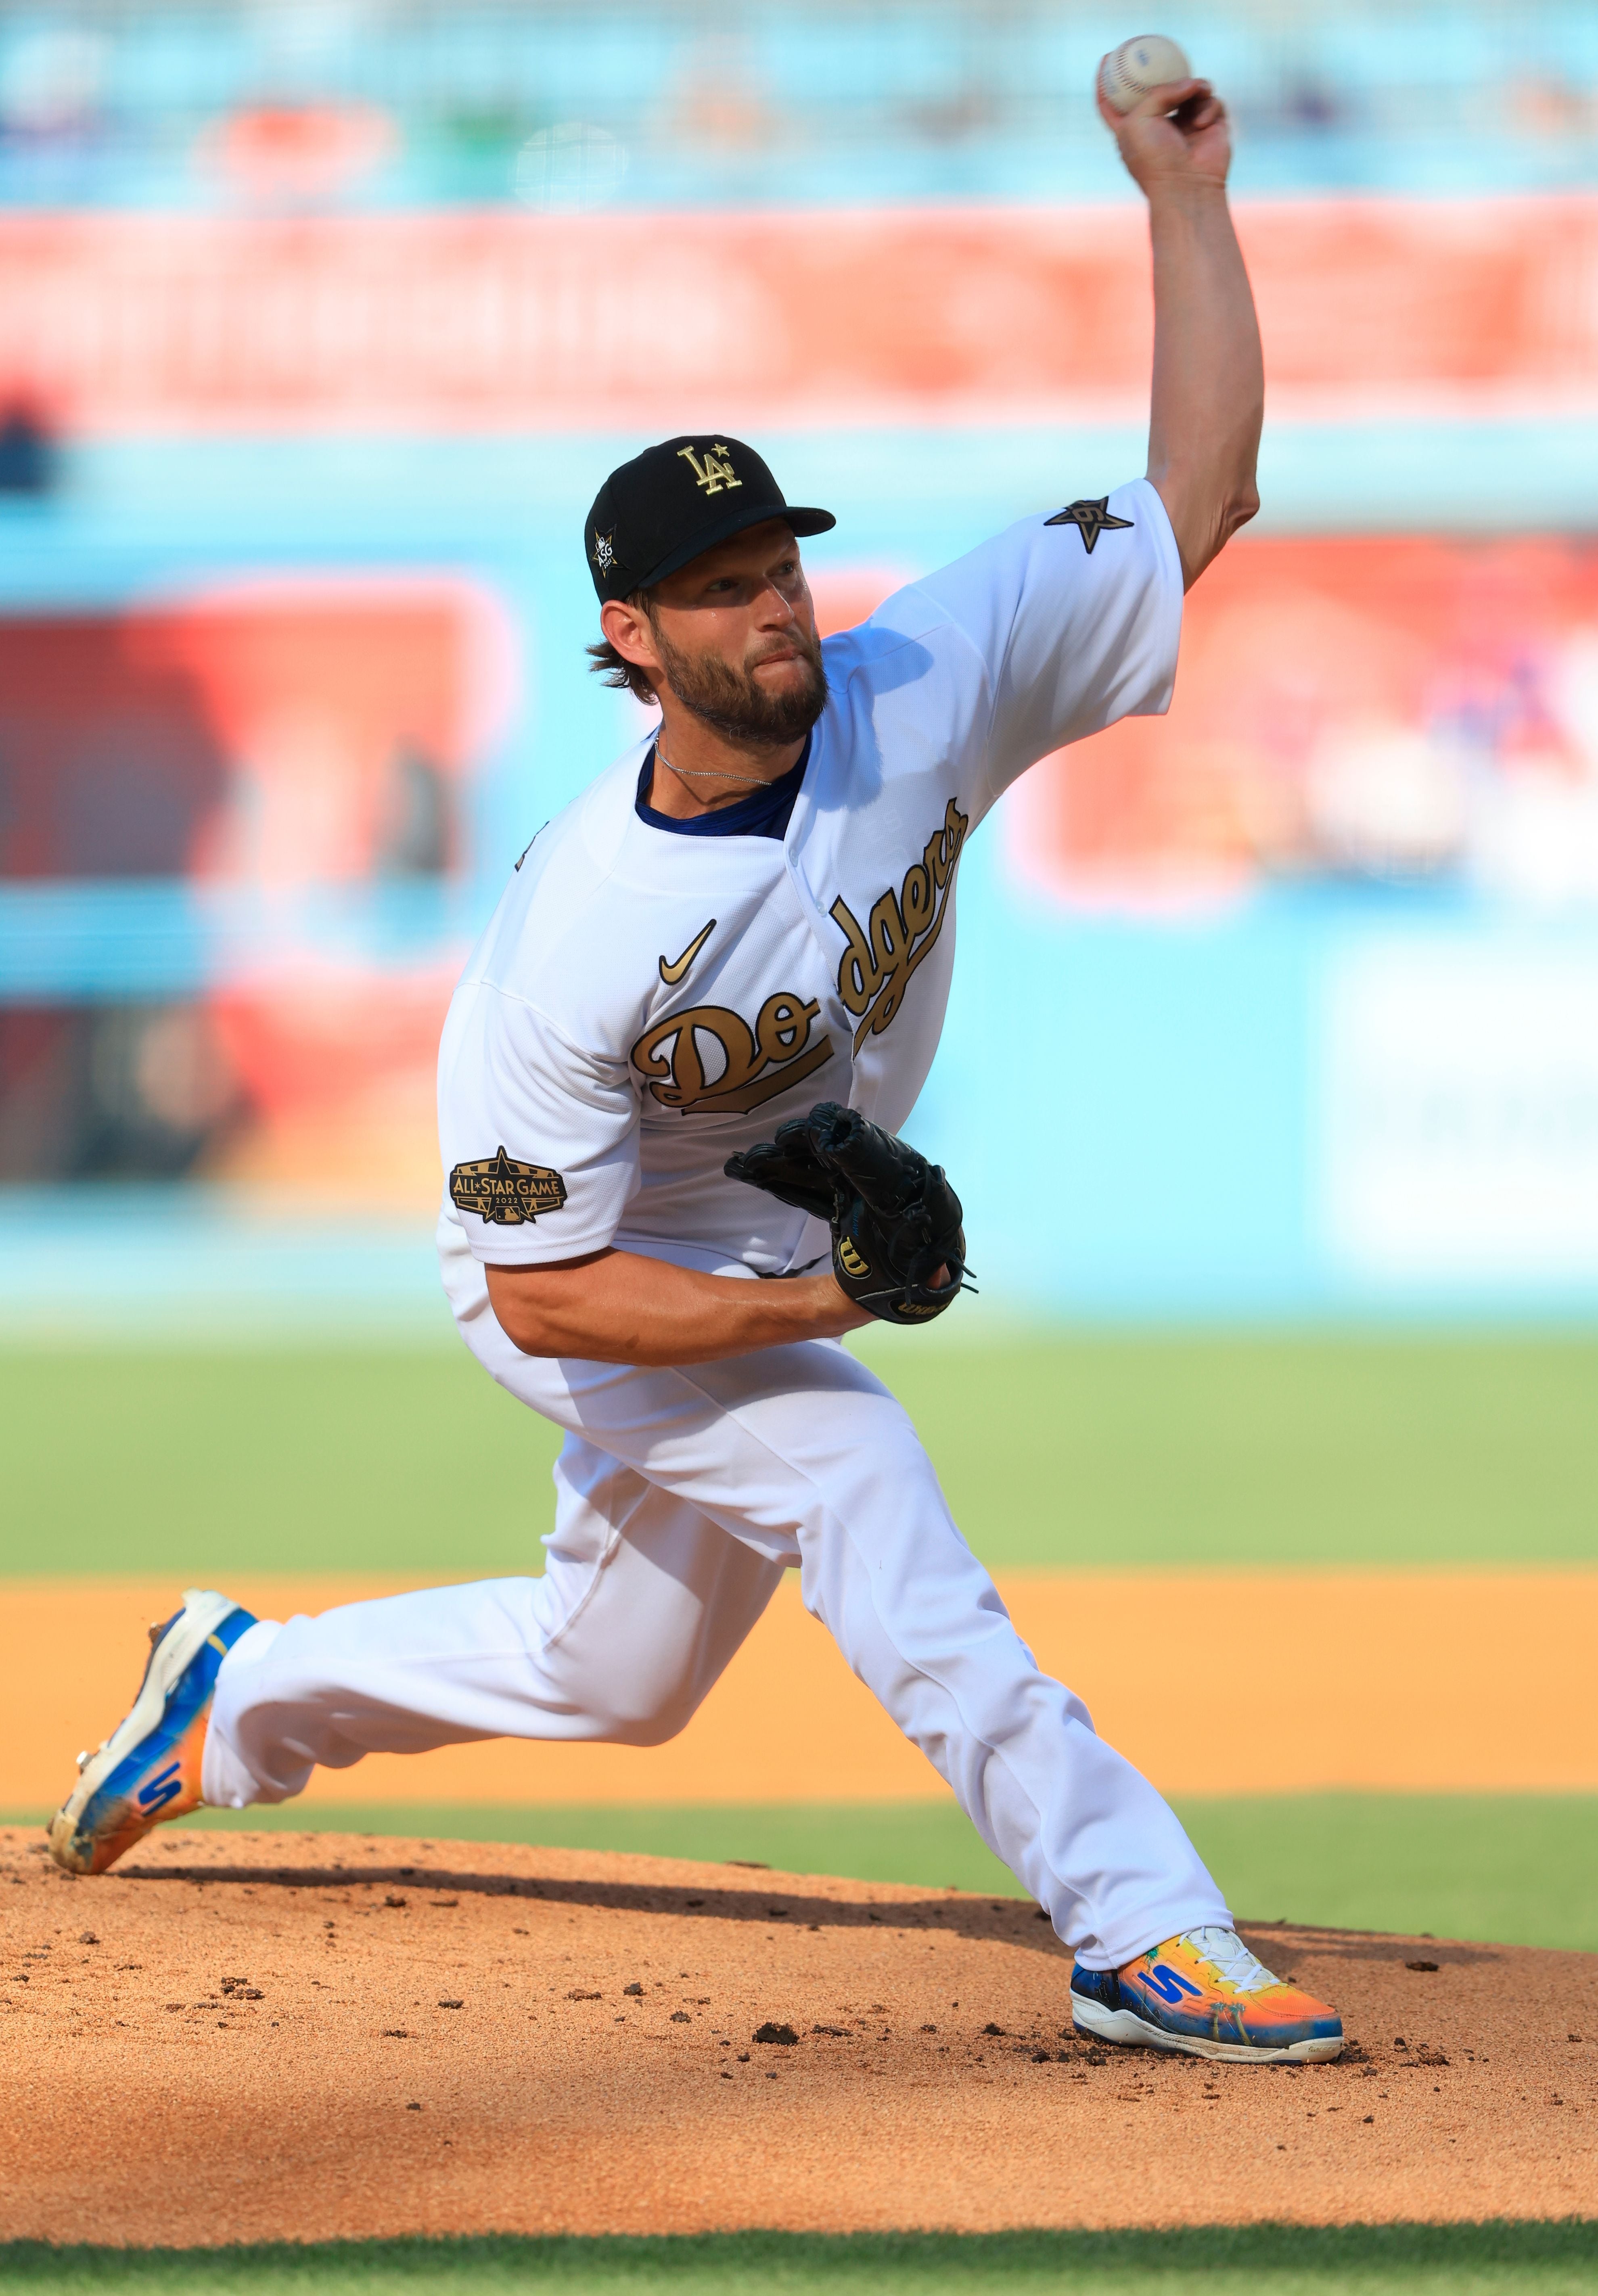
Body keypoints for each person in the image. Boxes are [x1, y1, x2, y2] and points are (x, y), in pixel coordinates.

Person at [50, 68, 1342, 2065]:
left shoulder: (925, 681)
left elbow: (1202, 493)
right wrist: (830, 1299)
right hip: (584, 1279)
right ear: (630, 633)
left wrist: (1182, 197)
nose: (776, 608)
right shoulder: (578, 922)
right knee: (857, 1460)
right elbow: (539, 1284)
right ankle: (1139, 1923)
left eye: (784, 566)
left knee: (618, 1669)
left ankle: (240, 1693)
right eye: (726, 589)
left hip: (742, 1249)